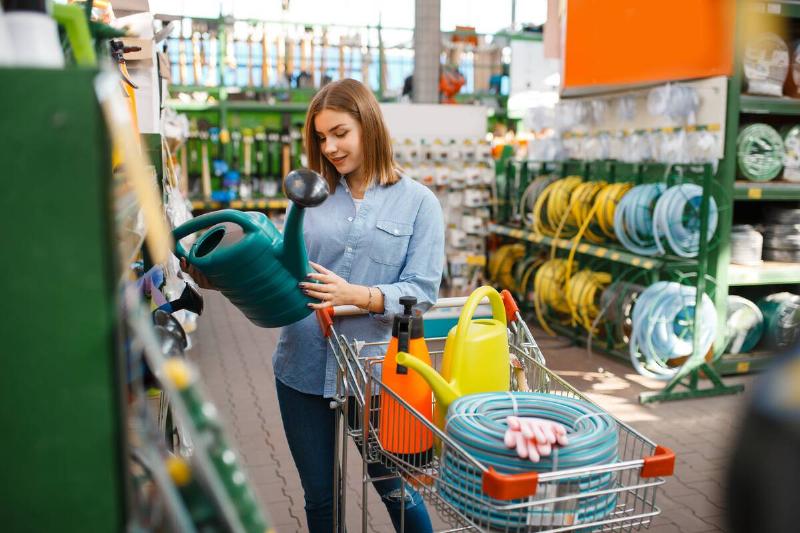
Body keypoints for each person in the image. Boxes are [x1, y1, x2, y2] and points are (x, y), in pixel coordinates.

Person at [184, 78, 444, 532]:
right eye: (322, 138)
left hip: (375, 376)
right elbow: (282, 270)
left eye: (340, 133)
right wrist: (229, 277)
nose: (331, 148)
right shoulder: (311, 198)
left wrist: (358, 295)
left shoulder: (419, 204)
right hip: (302, 367)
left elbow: (421, 292)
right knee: (321, 499)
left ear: (370, 125)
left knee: (397, 491)